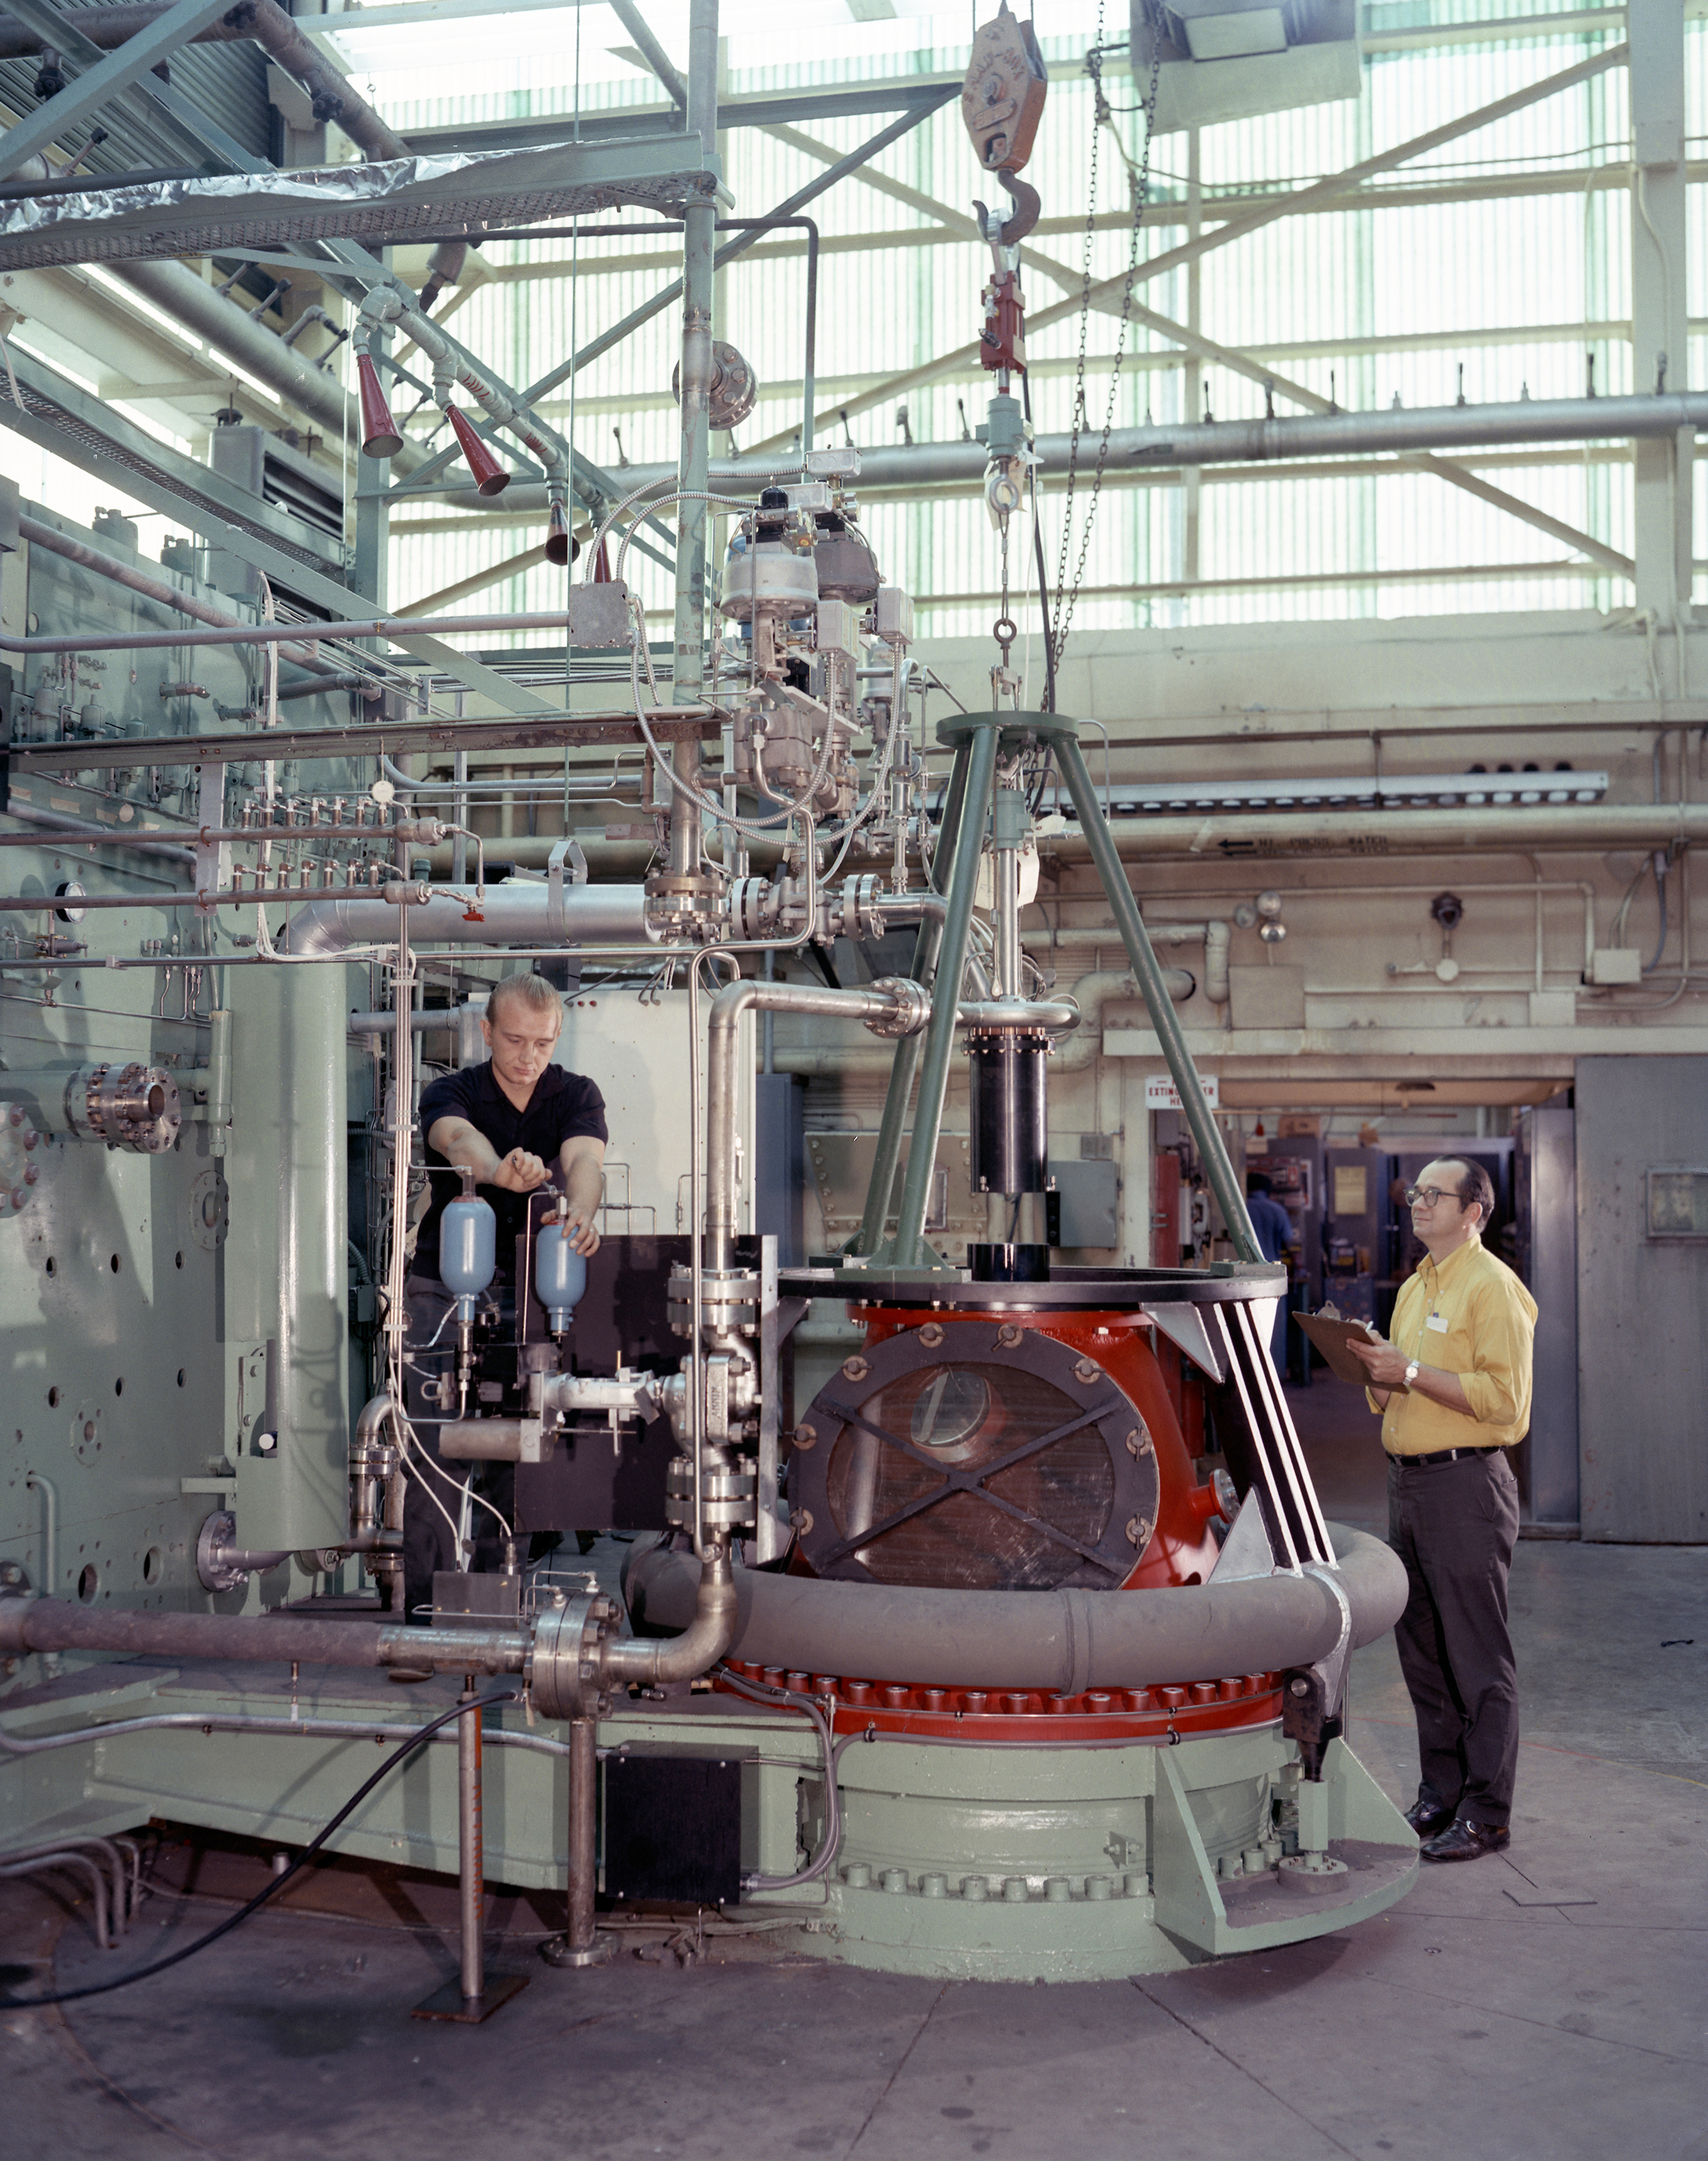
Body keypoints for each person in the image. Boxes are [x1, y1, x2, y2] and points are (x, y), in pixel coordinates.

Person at [398, 971, 607, 1625]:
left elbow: (585, 1162)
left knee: (516, 1442)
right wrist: (496, 1173)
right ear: (486, 1032)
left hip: (532, 1289)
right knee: (433, 1446)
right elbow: (457, 1142)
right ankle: (426, 1613)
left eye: (542, 1043)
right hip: (441, 1287)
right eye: (514, 1040)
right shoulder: (451, 1089)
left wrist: (582, 1211)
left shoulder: (575, 1094)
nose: (528, 1056)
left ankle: (495, 1606)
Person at [1346, 1157, 1535, 1863]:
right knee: (1423, 1651)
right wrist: (1373, 1369)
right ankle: (1442, 1793)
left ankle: (1488, 1812)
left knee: (1477, 1657)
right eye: (1415, 1192)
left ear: (1473, 1211)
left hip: (1466, 1490)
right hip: (1410, 1484)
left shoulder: (1494, 1290)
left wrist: (1413, 1372)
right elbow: (1395, 1387)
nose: (1418, 1203)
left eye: (1434, 1194)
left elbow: (1507, 1408)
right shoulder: (1415, 1286)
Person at [1245, 1172, 1294, 1371]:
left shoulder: (1241, 1208)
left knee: (1247, 1325)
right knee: (1274, 1327)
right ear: (1268, 1190)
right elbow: (1290, 1243)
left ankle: (1250, 1372)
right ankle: (1275, 1371)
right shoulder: (1277, 1210)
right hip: (1272, 1275)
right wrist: (1296, 1267)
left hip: (1243, 1274)